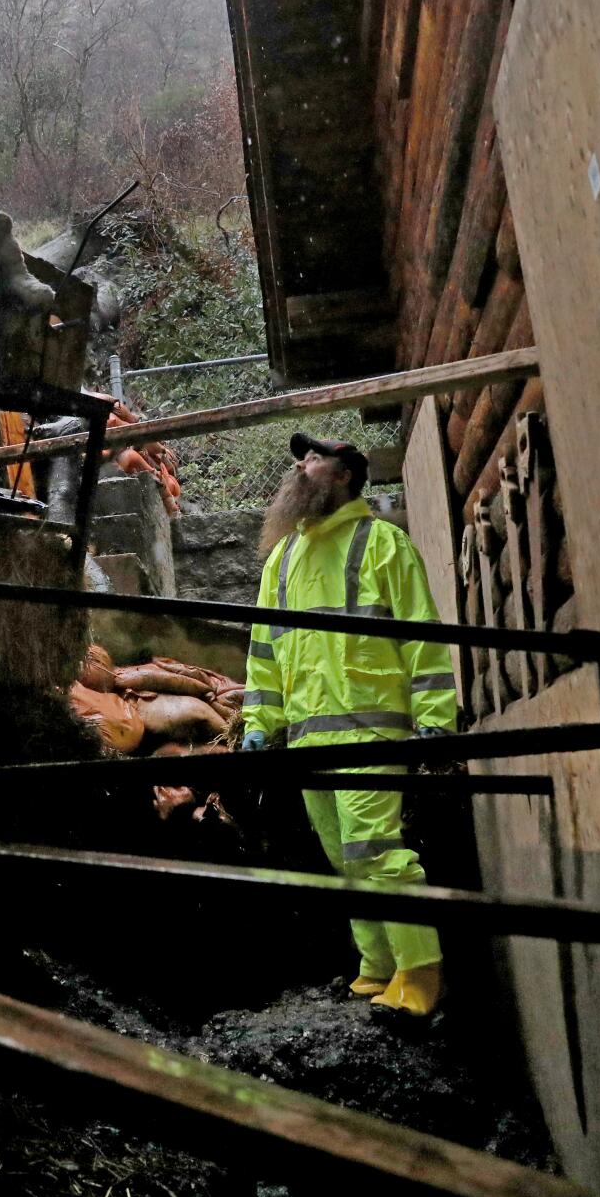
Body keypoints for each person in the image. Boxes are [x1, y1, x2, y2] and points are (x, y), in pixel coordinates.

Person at [240, 433, 459, 1017]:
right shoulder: (282, 561)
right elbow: (264, 654)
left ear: (346, 475)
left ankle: (419, 972)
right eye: (300, 459)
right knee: (344, 860)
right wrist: (259, 723)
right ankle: (377, 967)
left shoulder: (383, 543)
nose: (300, 467)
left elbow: (423, 634)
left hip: (369, 730)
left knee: (376, 852)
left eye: (314, 459)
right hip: (310, 739)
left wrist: (436, 718)